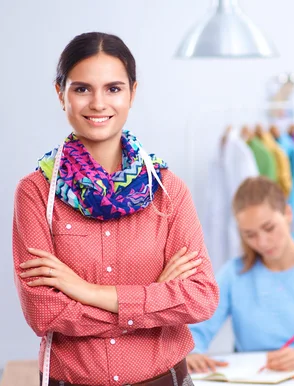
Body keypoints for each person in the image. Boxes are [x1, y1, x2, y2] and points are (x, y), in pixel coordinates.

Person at [12, 32, 219, 386]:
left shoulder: (168, 191)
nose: (97, 103)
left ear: (132, 93)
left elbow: (200, 297)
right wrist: (153, 300)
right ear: (61, 93)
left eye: (113, 88)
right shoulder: (35, 193)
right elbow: (43, 312)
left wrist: (86, 291)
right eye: (81, 89)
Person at [187, 176, 294, 373]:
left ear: (288, 214)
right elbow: (199, 328)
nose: (262, 242)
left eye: (269, 228)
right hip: (255, 376)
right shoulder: (233, 274)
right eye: (250, 235)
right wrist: (192, 351)